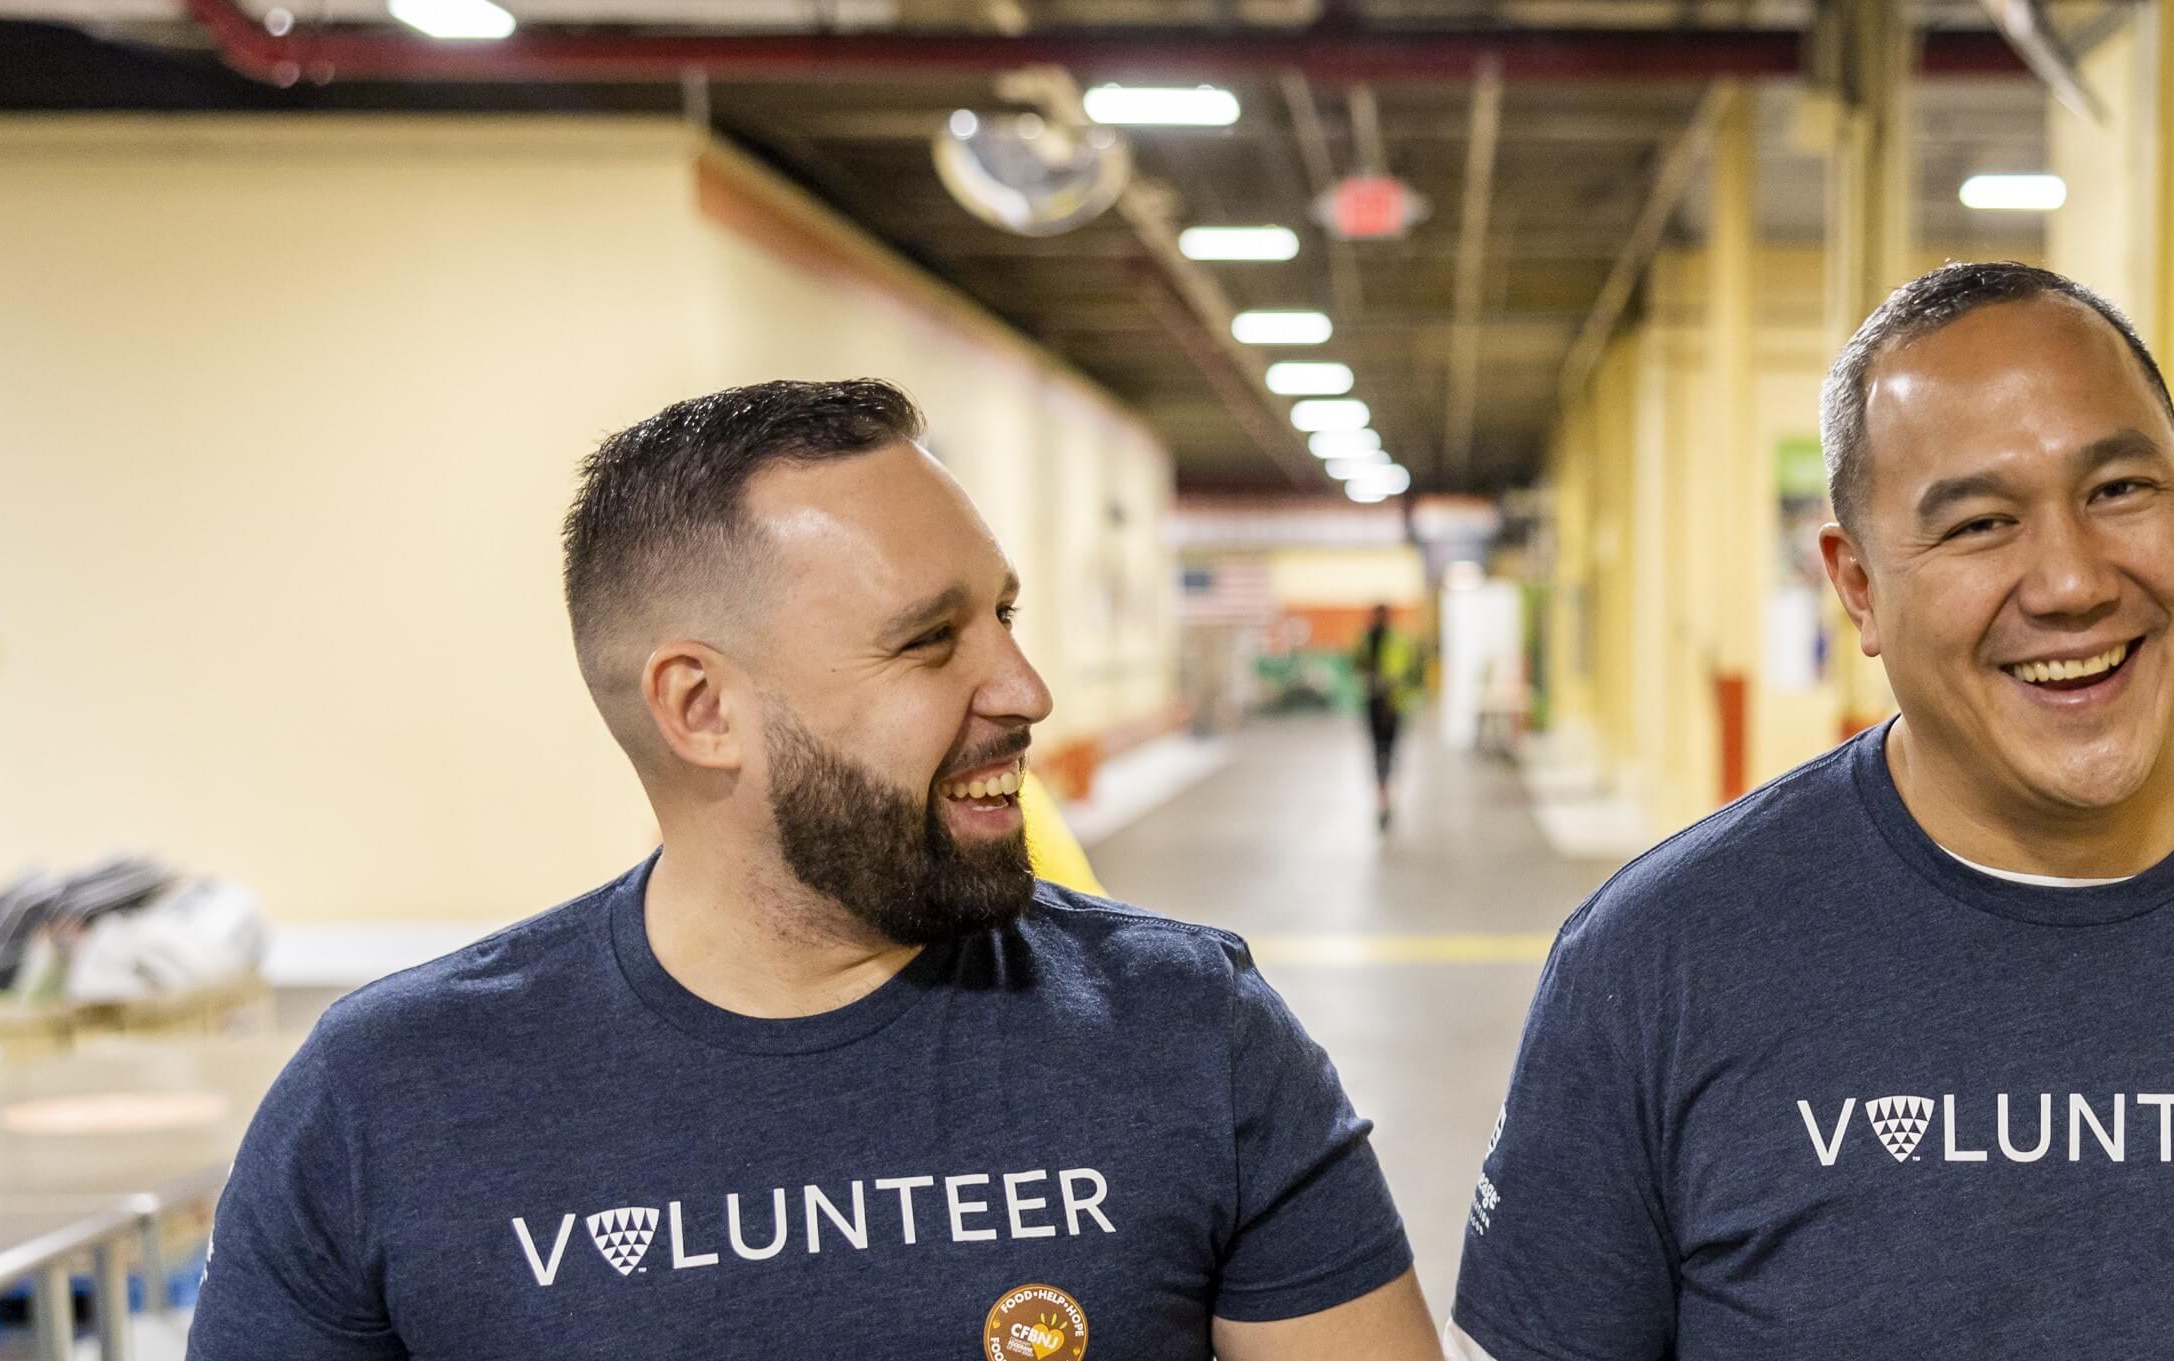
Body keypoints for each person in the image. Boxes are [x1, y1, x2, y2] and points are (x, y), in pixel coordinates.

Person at [1452, 264, 2174, 1360]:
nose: (2071, 581)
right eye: (1979, 523)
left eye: (2118, 490)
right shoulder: (1656, 965)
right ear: (1857, 587)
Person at [193, 379, 1442, 1361]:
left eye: (1004, 615)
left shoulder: (1188, 1029)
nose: (1022, 690)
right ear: (701, 708)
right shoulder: (384, 1101)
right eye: (926, 641)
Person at [1356, 602, 1415, 831]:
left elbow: (1403, 673)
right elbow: (1357, 665)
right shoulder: (1366, 639)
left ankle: (1386, 793)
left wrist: (1390, 693)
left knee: (1388, 751)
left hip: (1392, 705)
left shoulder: (1396, 641)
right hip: (1375, 703)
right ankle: (1383, 795)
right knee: (1379, 751)